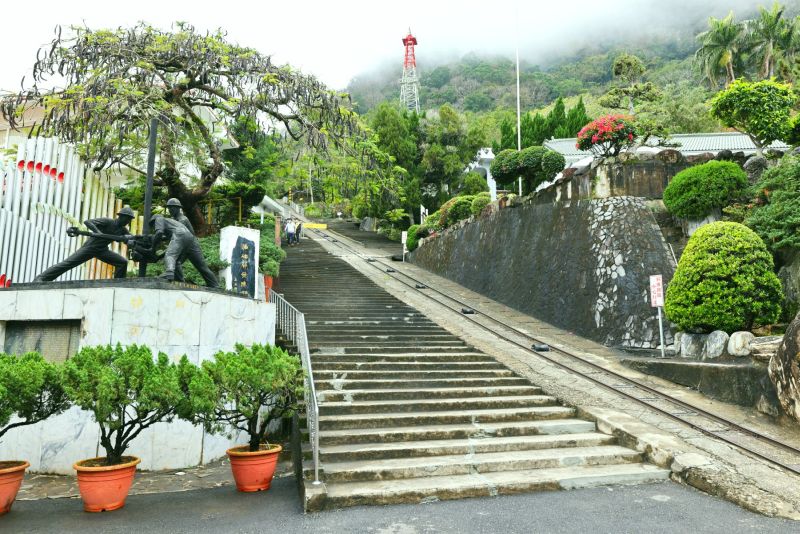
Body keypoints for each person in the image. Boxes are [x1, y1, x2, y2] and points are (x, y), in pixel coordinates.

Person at [34, 206, 135, 282]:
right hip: (90, 247)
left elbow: (131, 239)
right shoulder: (108, 221)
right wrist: (97, 232)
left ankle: (118, 283)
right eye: (127, 218)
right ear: (121, 216)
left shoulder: (123, 230)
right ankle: (41, 278)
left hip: (102, 250)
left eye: (130, 220)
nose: (128, 221)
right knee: (68, 263)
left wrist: (129, 241)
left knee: (122, 262)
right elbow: (88, 222)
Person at [151, 215, 218, 287]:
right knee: (201, 266)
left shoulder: (159, 218)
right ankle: (213, 284)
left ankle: (169, 273)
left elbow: (159, 233)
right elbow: (173, 245)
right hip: (191, 239)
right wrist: (159, 256)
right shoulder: (172, 224)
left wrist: (152, 248)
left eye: (152, 225)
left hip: (180, 234)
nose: (154, 227)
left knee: (170, 255)